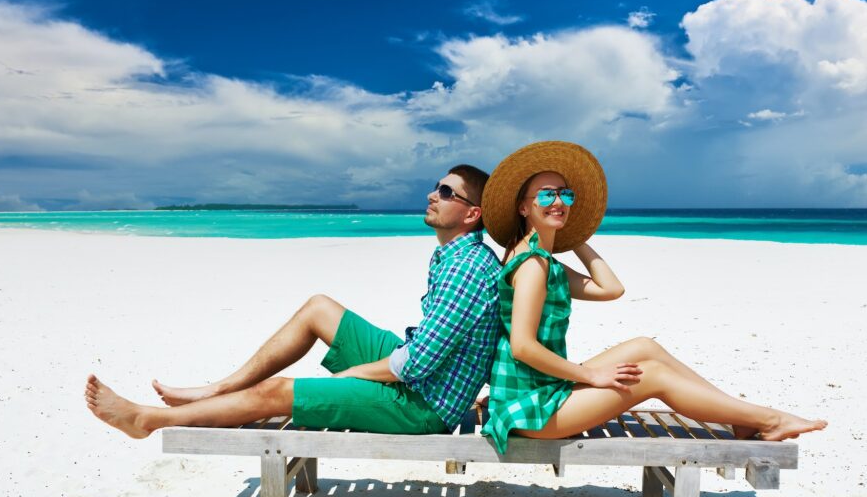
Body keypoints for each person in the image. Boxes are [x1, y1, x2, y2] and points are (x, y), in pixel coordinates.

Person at [86, 165, 501, 439]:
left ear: (470, 214)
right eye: (437, 186)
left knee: (277, 393)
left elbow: (417, 365)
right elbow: (423, 352)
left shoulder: (467, 267)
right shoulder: (454, 254)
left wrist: (353, 374)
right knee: (319, 307)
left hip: (424, 404)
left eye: (446, 192)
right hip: (421, 370)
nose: (432, 194)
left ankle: (149, 421)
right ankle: (220, 388)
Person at [478, 141, 827, 454]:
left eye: (565, 195)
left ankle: (739, 416)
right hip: (530, 410)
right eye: (546, 195)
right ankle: (768, 419)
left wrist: (575, 236)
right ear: (523, 208)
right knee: (653, 375)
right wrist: (591, 376)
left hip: (542, 390)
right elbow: (523, 346)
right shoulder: (533, 266)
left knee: (644, 346)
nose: (558, 202)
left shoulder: (544, 260)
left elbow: (610, 289)